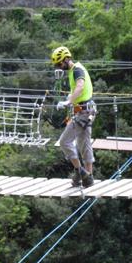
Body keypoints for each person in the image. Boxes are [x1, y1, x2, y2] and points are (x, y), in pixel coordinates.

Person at [51, 46, 96, 187]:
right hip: (86, 110)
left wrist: (68, 102)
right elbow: (78, 89)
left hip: (83, 112)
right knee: (84, 144)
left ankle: (80, 171)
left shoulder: (77, 70)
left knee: (64, 141)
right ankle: (89, 177)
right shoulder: (74, 70)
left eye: (60, 63)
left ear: (66, 59)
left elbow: (80, 86)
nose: (59, 67)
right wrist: (70, 97)